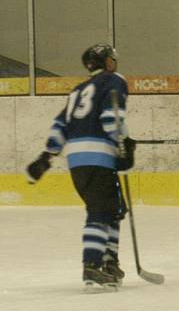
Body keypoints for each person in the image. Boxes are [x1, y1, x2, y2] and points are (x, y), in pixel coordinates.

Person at [25, 44, 134, 291]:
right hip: (100, 157)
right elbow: (111, 118)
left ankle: (109, 262)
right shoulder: (114, 80)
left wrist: (46, 158)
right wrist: (124, 143)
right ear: (107, 63)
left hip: (77, 162)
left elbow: (59, 126)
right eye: (111, 59)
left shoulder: (78, 90)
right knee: (100, 212)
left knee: (114, 209)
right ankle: (93, 266)